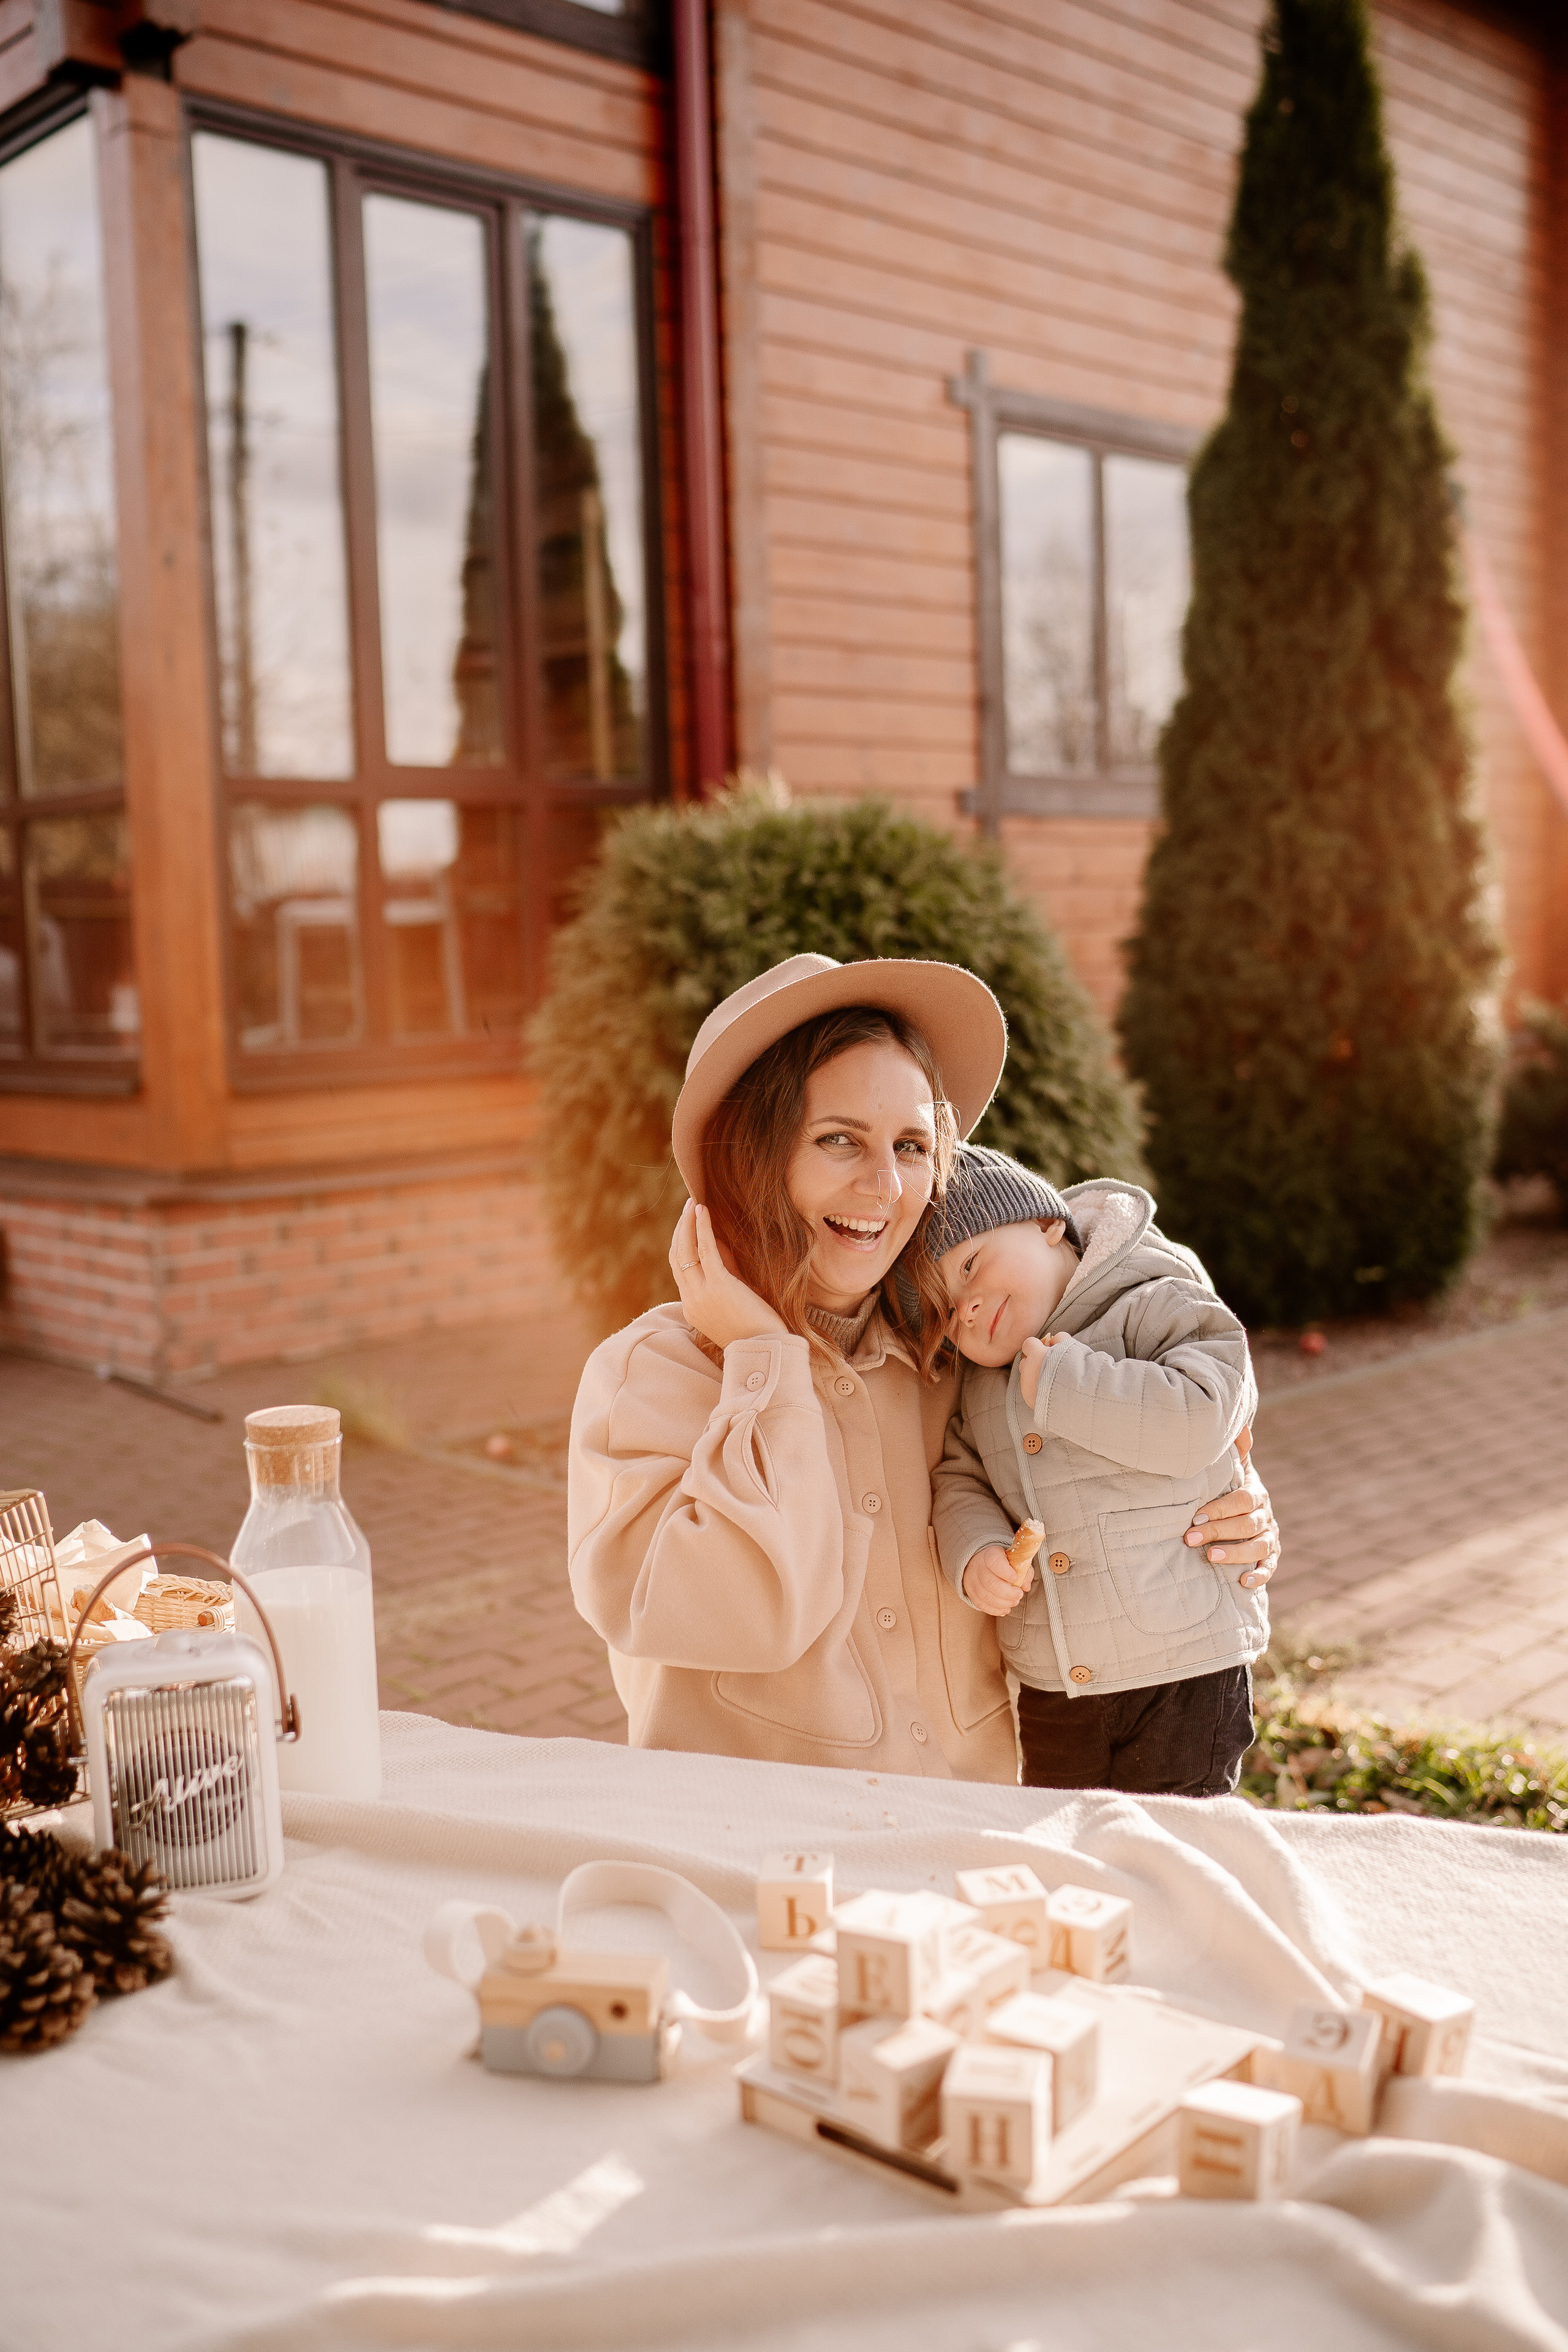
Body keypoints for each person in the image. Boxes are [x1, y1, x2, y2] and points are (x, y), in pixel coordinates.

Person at [568, 953, 1279, 1780]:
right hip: (760, 1847)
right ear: (750, 1157)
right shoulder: (648, 1379)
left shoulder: (952, 1362)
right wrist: (765, 1363)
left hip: (973, 1836)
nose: (886, 1185)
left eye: (912, 1146)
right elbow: (751, 1619)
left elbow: (1094, 1485)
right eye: (839, 1140)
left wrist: (1217, 1510)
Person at [930, 1145, 1266, 1796]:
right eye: (946, 1311)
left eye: (970, 1265)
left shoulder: (1155, 1301)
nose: (966, 1305)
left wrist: (1070, 1385)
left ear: (1045, 1223)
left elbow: (1205, 1419)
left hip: (1182, 1664)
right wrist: (975, 1551)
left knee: (1172, 1837)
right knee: (1068, 1837)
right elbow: (959, 1480)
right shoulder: (979, 1385)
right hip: (1056, 1679)